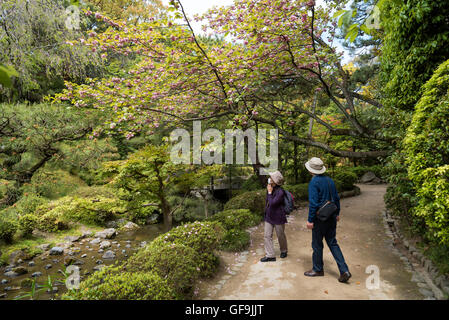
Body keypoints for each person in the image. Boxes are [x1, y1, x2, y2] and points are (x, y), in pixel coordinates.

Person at [304, 157, 351, 283]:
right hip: (331, 216)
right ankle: (344, 270)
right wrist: (337, 213)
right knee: (333, 243)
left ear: (311, 170)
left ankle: (318, 269)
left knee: (317, 244)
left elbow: (314, 204)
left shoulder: (314, 182)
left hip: (320, 219)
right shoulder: (330, 180)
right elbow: (336, 198)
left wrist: (310, 220)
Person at [260, 170, 288, 262]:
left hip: (278, 217)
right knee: (267, 235)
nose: (269, 179)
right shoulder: (270, 188)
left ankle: (284, 250)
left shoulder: (280, 192)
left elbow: (272, 203)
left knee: (280, 235)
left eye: (271, 178)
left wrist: (269, 192)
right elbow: (267, 203)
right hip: (269, 216)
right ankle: (270, 255)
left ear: (275, 181)